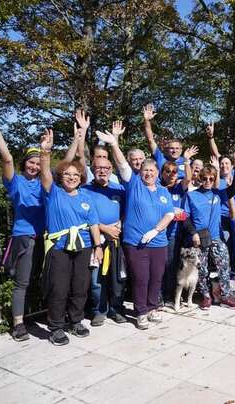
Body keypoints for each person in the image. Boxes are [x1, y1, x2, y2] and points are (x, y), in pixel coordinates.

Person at [97, 130, 175, 330]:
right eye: (145, 170)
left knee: (157, 277)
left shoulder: (164, 192)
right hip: (135, 243)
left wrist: (156, 231)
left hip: (159, 242)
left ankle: (152, 308)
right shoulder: (133, 185)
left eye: (152, 170)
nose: (148, 173)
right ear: (141, 172)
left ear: (157, 173)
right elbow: (123, 165)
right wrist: (114, 144)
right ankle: (140, 311)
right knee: (141, 278)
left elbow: (169, 215)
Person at [39, 129, 102, 345]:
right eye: (68, 174)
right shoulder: (53, 192)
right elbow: (45, 173)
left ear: (81, 178)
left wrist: (98, 246)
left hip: (84, 246)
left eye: (76, 175)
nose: (72, 178)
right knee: (59, 287)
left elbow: (93, 223)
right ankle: (56, 326)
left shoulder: (86, 196)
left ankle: (75, 321)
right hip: (60, 247)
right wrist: (45, 153)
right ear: (61, 176)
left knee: (80, 286)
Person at [0, 113, 46, 341]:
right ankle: (18, 324)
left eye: (38, 163)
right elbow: (7, 159)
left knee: (41, 279)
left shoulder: (44, 183)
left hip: (45, 237)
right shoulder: (16, 183)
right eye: (31, 162)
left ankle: (38, 314)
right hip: (25, 237)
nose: (34, 165)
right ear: (25, 163)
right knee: (21, 281)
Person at [182, 153, 235, 310]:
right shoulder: (191, 195)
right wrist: (193, 233)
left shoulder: (218, 193)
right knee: (201, 269)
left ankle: (226, 296)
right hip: (198, 239)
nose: (208, 181)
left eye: (211, 178)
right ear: (200, 179)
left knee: (224, 266)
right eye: (205, 178)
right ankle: (206, 296)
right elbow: (185, 217)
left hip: (216, 237)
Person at [82, 156, 127, 326]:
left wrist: (118, 224)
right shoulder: (85, 190)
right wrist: (104, 228)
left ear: (111, 170)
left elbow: (125, 212)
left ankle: (116, 309)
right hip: (96, 240)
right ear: (93, 170)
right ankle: (99, 310)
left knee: (117, 277)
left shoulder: (119, 189)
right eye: (99, 168)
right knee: (96, 279)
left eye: (107, 168)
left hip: (115, 240)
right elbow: (84, 216)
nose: (103, 171)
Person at [159, 144, 196, 305]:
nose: (171, 175)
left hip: (174, 234)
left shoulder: (179, 188)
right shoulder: (157, 188)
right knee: (161, 266)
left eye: (174, 172)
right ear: (162, 173)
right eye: (168, 171)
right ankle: (159, 295)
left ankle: (168, 296)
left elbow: (188, 178)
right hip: (158, 233)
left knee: (172, 266)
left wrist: (187, 161)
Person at [142, 103, 186, 178]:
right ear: (167, 149)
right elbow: (150, 140)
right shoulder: (160, 157)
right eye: (172, 148)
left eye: (177, 148)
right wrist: (147, 121)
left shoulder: (187, 162)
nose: (174, 151)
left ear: (181, 150)